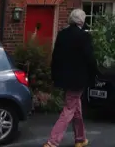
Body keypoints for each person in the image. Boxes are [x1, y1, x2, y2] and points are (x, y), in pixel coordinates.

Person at [45, 9, 99, 147]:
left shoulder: (62, 34)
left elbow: (55, 57)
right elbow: (90, 59)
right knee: (69, 109)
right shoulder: (83, 36)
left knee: (76, 107)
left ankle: (80, 139)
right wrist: (96, 74)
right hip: (78, 79)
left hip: (64, 79)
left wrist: (54, 76)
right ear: (82, 20)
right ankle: (53, 141)